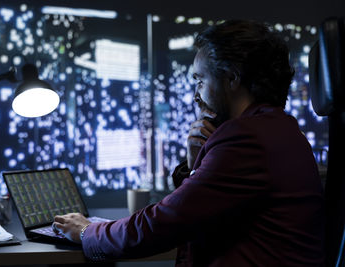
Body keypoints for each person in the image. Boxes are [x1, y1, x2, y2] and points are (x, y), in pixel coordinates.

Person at [53, 20, 325, 266]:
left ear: (231, 78)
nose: (196, 95)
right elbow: (202, 211)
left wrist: (88, 232)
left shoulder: (246, 139)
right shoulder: (280, 129)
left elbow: (165, 223)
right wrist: (198, 163)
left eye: (200, 80)